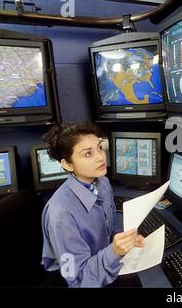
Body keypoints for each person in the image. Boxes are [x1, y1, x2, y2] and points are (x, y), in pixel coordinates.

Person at [41, 122, 144, 287]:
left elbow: (107, 230)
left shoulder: (102, 183)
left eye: (100, 148)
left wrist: (124, 239)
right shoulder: (61, 215)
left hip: (102, 263)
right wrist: (115, 251)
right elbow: (77, 280)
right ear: (67, 164)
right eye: (88, 154)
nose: (100, 157)